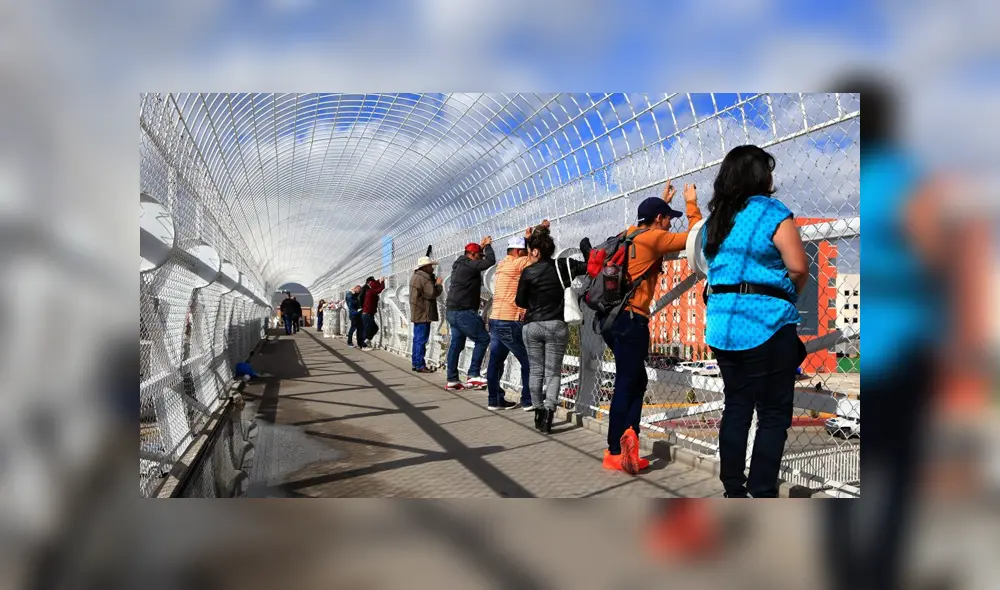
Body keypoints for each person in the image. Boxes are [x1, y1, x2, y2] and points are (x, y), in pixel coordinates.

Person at [701, 144, 807, 498]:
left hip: (722, 326)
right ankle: (762, 491)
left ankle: (733, 488)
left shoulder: (716, 220)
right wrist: (784, 295)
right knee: (774, 414)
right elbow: (798, 268)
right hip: (766, 324)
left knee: (737, 405)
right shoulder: (772, 212)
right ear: (761, 176)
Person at [603, 180, 702, 474]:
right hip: (632, 320)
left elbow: (651, 235)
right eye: (668, 218)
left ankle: (629, 436)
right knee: (626, 383)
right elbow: (694, 238)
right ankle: (615, 450)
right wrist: (691, 203)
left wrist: (661, 201)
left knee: (636, 380)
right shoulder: (654, 239)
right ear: (659, 219)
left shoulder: (629, 234)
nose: (671, 223)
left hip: (611, 319)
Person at [516, 223, 589, 431]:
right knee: (553, 372)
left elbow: (520, 301)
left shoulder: (528, 272)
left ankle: (538, 412)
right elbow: (589, 266)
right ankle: (549, 415)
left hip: (532, 326)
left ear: (535, 250)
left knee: (536, 371)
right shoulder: (564, 265)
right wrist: (585, 246)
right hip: (557, 325)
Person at [485, 235, 536, 410]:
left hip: (495, 319)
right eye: (523, 251)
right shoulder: (519, 263)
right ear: (517, 251)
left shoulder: (502, 264)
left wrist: (526, 239)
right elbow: (536, 257)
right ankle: (529, 400)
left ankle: (494, 400)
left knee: (496, 361)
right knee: (529, 361)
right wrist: (536, 236)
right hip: (510, 320)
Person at [444, 236, 496, 390]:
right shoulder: (469, 265)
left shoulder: (460, 265)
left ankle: (452, 379)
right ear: (472, 256)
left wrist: (480, 248)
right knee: (483, 339)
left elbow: (478, 260)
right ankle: (473, 375)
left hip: (452, 311)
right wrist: (487, 247)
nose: (480, 259)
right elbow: (490, 261)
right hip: (464, 312)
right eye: (479, 256)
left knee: (456, 344)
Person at [410, 255, 443, 373]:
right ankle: (420, 365)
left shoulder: (416, 276)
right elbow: (431, 293)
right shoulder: (424, 278)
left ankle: (416, 362)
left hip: (418, 312)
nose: (433, 268)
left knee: (417, 339)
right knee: (421, 339)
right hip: (424, 313)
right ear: (426, 267)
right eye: (431, 266)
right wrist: (438, 284)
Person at [360, 276, 385, 348]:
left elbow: (376, 286)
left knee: (374, 328)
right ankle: (364, 345)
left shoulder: (369, 291)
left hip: (368, 314)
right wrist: (382, 281)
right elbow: (380, 289)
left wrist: (379, 281)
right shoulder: (370, 291)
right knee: (369, 329)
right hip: (367, 314)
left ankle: (367, 341)